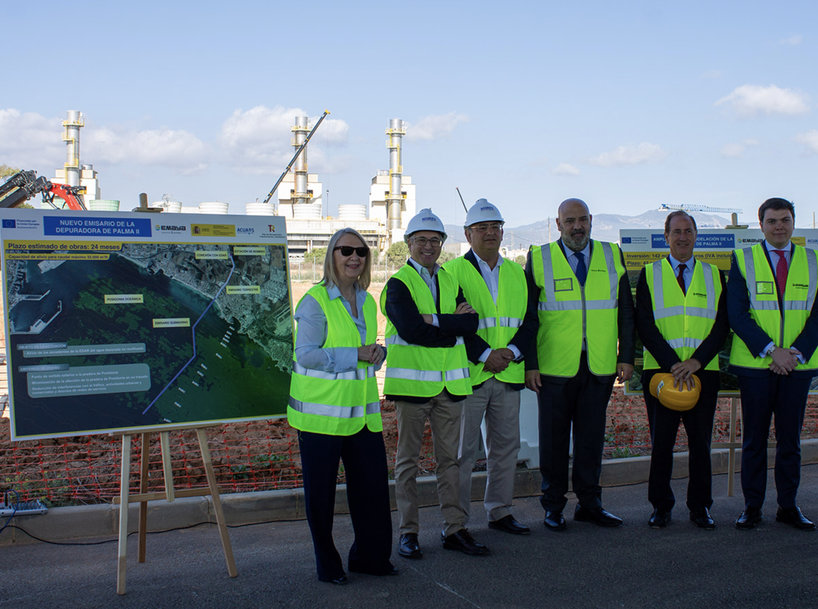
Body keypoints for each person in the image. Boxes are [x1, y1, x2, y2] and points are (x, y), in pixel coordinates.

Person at [287, 227, 396, 585]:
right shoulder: (315, 302)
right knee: (321, 498)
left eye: (361, 252)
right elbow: (306, 356)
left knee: (373, 492)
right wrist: (356, 355)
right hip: (320, 420)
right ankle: (328, 566)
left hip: (361, 418)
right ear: (332, 256)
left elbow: (365, 352)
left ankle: (371, 559)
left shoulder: (367, 300)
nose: (354, 258)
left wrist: (376, 356)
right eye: (346, 250)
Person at [382, 208, 489, 558]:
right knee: (407, 463)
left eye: (434, 240)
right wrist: (448, 328)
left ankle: (454, 529)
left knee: (452, 462)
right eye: (421, 240)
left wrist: (434, 322)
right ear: (408, 244)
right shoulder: (398, 284)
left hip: (451, 389)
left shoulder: (450, 280)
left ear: (442, 243)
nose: (428, 247)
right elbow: (411, 331)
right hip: (412, 390)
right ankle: (408, 532)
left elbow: (471, 326)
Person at [524, 197, 635, 531]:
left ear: (591, 220)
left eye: (582, 219)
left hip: (599, 366)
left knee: (590, 440)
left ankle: (590, 504)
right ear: (558, 225)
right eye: (569, 221)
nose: (577, 226)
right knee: (554, 442)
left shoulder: (612, 254)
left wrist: (626, 356)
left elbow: (626, 311)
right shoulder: (539, 258)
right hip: (554, 369)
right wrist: (531, 363)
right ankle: (553, 506)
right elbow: (529, 317)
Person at [443, 198, 535, 535]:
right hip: (470, 376)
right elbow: (454, 323)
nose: (490, 233)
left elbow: (529, 321)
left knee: (505, 448)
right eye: (482, 228)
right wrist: (485, 355)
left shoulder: (517, 272)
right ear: (468, 234)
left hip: (508, 373)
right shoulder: (452, 272)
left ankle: (500, 511)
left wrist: (510, 352)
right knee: (462, 453)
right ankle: (457, 522)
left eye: (495, 227)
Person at [727, 197, 818, 531]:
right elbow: (736, 314)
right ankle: (752, 507)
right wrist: (771, 350)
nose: (779, 226)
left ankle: (788, 506)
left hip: (797, 365)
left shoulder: (814, 260)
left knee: (790, 440)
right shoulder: (742, 259)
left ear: (793, 223)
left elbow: (817, 315)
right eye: (772, 221)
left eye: (785, 220)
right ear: (760, 224)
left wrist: (794, 352)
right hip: (757, 365)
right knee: (754, 439)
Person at [636, 211, 728, 530]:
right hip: (662, 374)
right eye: (676, 232)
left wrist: (695, 362)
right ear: (666, 237)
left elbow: (721, 327)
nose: (683, 237)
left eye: (688, 231)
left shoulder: (714, 275)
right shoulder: (650, 274)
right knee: (661, 443)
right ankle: (661, 507)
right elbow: (644, 324)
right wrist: (673, 363)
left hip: (703, 372)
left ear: (696, 235)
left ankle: (700, 507)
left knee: (700, 444)